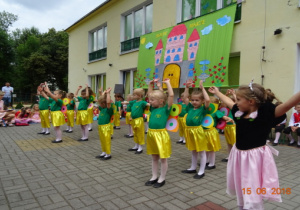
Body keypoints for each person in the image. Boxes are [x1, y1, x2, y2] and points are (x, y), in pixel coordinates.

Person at [208, 81, 300, 210]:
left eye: (239, 99)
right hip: (239, 155)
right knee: (242, 186)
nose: (236, 102)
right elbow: (229, 103)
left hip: (255, 158)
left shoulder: (266, 113)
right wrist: (217, 93)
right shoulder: (239, 112)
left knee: (252, 190)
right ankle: (242, 206)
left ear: (250, 101)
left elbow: (288, 104)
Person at [144, 78, 174, 188]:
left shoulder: (166, 109)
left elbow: (171, 96)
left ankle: (162, 178)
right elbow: (149, 93)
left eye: (152, 100)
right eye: (150, 100)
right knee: (154, 157)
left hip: (161, 135)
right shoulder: (152, 108)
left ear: (161, 101)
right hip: (151, 134)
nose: (149, 102)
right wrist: (150, 84)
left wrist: (168, 83)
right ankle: (154, 176)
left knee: (163, 158)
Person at [181, 79, 210, 179]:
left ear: (201, 101)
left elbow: (208, 100)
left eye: (197, 100)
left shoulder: (202, 109)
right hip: (189, 131)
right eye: (193, 100)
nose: (194, 102)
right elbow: (185, 98)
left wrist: (203, 89)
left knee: (201, 151)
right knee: (193, 150)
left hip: (198, 131)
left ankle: (201, 171)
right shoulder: (189, 107)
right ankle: (193, 167)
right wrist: (186, 88)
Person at [204, 96, 233, 169]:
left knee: (211, 149)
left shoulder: (216, 112)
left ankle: (212, 163)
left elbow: (223, 116)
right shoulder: (205, 111)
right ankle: (206, 161)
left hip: (211, 132)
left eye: (210, 103)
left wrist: (228, 118)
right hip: (204, 132)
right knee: (205, 148)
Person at [128, 88, 149, 154]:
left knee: (140, 133)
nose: (133, 96)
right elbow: (128, 103)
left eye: (134, 95)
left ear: (139, 96)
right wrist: (131, 116)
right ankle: (136, 145)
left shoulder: (142, 102)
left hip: (139, 120)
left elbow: (148, 104)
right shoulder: (134, 102)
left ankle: (140, 147)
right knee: (135, 133)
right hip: (133, 120)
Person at [95, 87, 113, 160]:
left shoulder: (108, 109)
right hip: (100, 127)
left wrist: (108, 93)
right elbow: (103, 99)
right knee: (102, 140)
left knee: (107, 140)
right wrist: (101, 93)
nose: (99, 104)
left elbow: (108, 102)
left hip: (106, 127)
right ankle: (104, 152)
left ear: (103, 103)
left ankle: (108, 154)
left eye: (100, 103)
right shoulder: (102, 108)